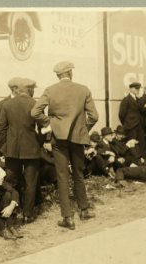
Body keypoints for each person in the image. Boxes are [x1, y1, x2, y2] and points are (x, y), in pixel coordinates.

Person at [31, 61, 98, 230]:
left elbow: (35, 112)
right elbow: (94, 116)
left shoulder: (50, 90)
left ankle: (67, 217)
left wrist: (52, 123)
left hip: (58, 139)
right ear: (70, 73)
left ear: (58, 75)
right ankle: (84, 210)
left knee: (62, 176)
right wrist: (83, 129)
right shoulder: (83, 89)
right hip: (77, 138)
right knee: (78, 174)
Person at [0, 78, 41, 224]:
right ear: (29, 90)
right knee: (30, 182)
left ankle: (10, 210)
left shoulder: (7, 104)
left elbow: (0, 129)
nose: (33, 91)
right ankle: (28, 214)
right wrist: (38, 143)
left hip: (12, 151)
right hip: (31, 150)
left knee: (11, 181)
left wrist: (5, 147)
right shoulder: (34, 103)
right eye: (33, 89)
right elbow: (42, 128)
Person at [0, 78, 19, 156]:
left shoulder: (23, 103)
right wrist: (8, 135)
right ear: (14, 89)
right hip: (3, 146)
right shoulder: (3, 103)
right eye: (21, 88)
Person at [118, 82, 146, 156]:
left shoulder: (138, 99)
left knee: (141, 143)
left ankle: (142, 159)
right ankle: (135, 160)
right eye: (136, 89)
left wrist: (140, 98)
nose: (138, 90)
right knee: (132, 145)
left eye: (138, 89)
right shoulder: (126, 100)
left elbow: (141, 108)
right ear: (131, 89)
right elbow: (121, 114)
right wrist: (126, 124)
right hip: (131, 126)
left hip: (139, 125)